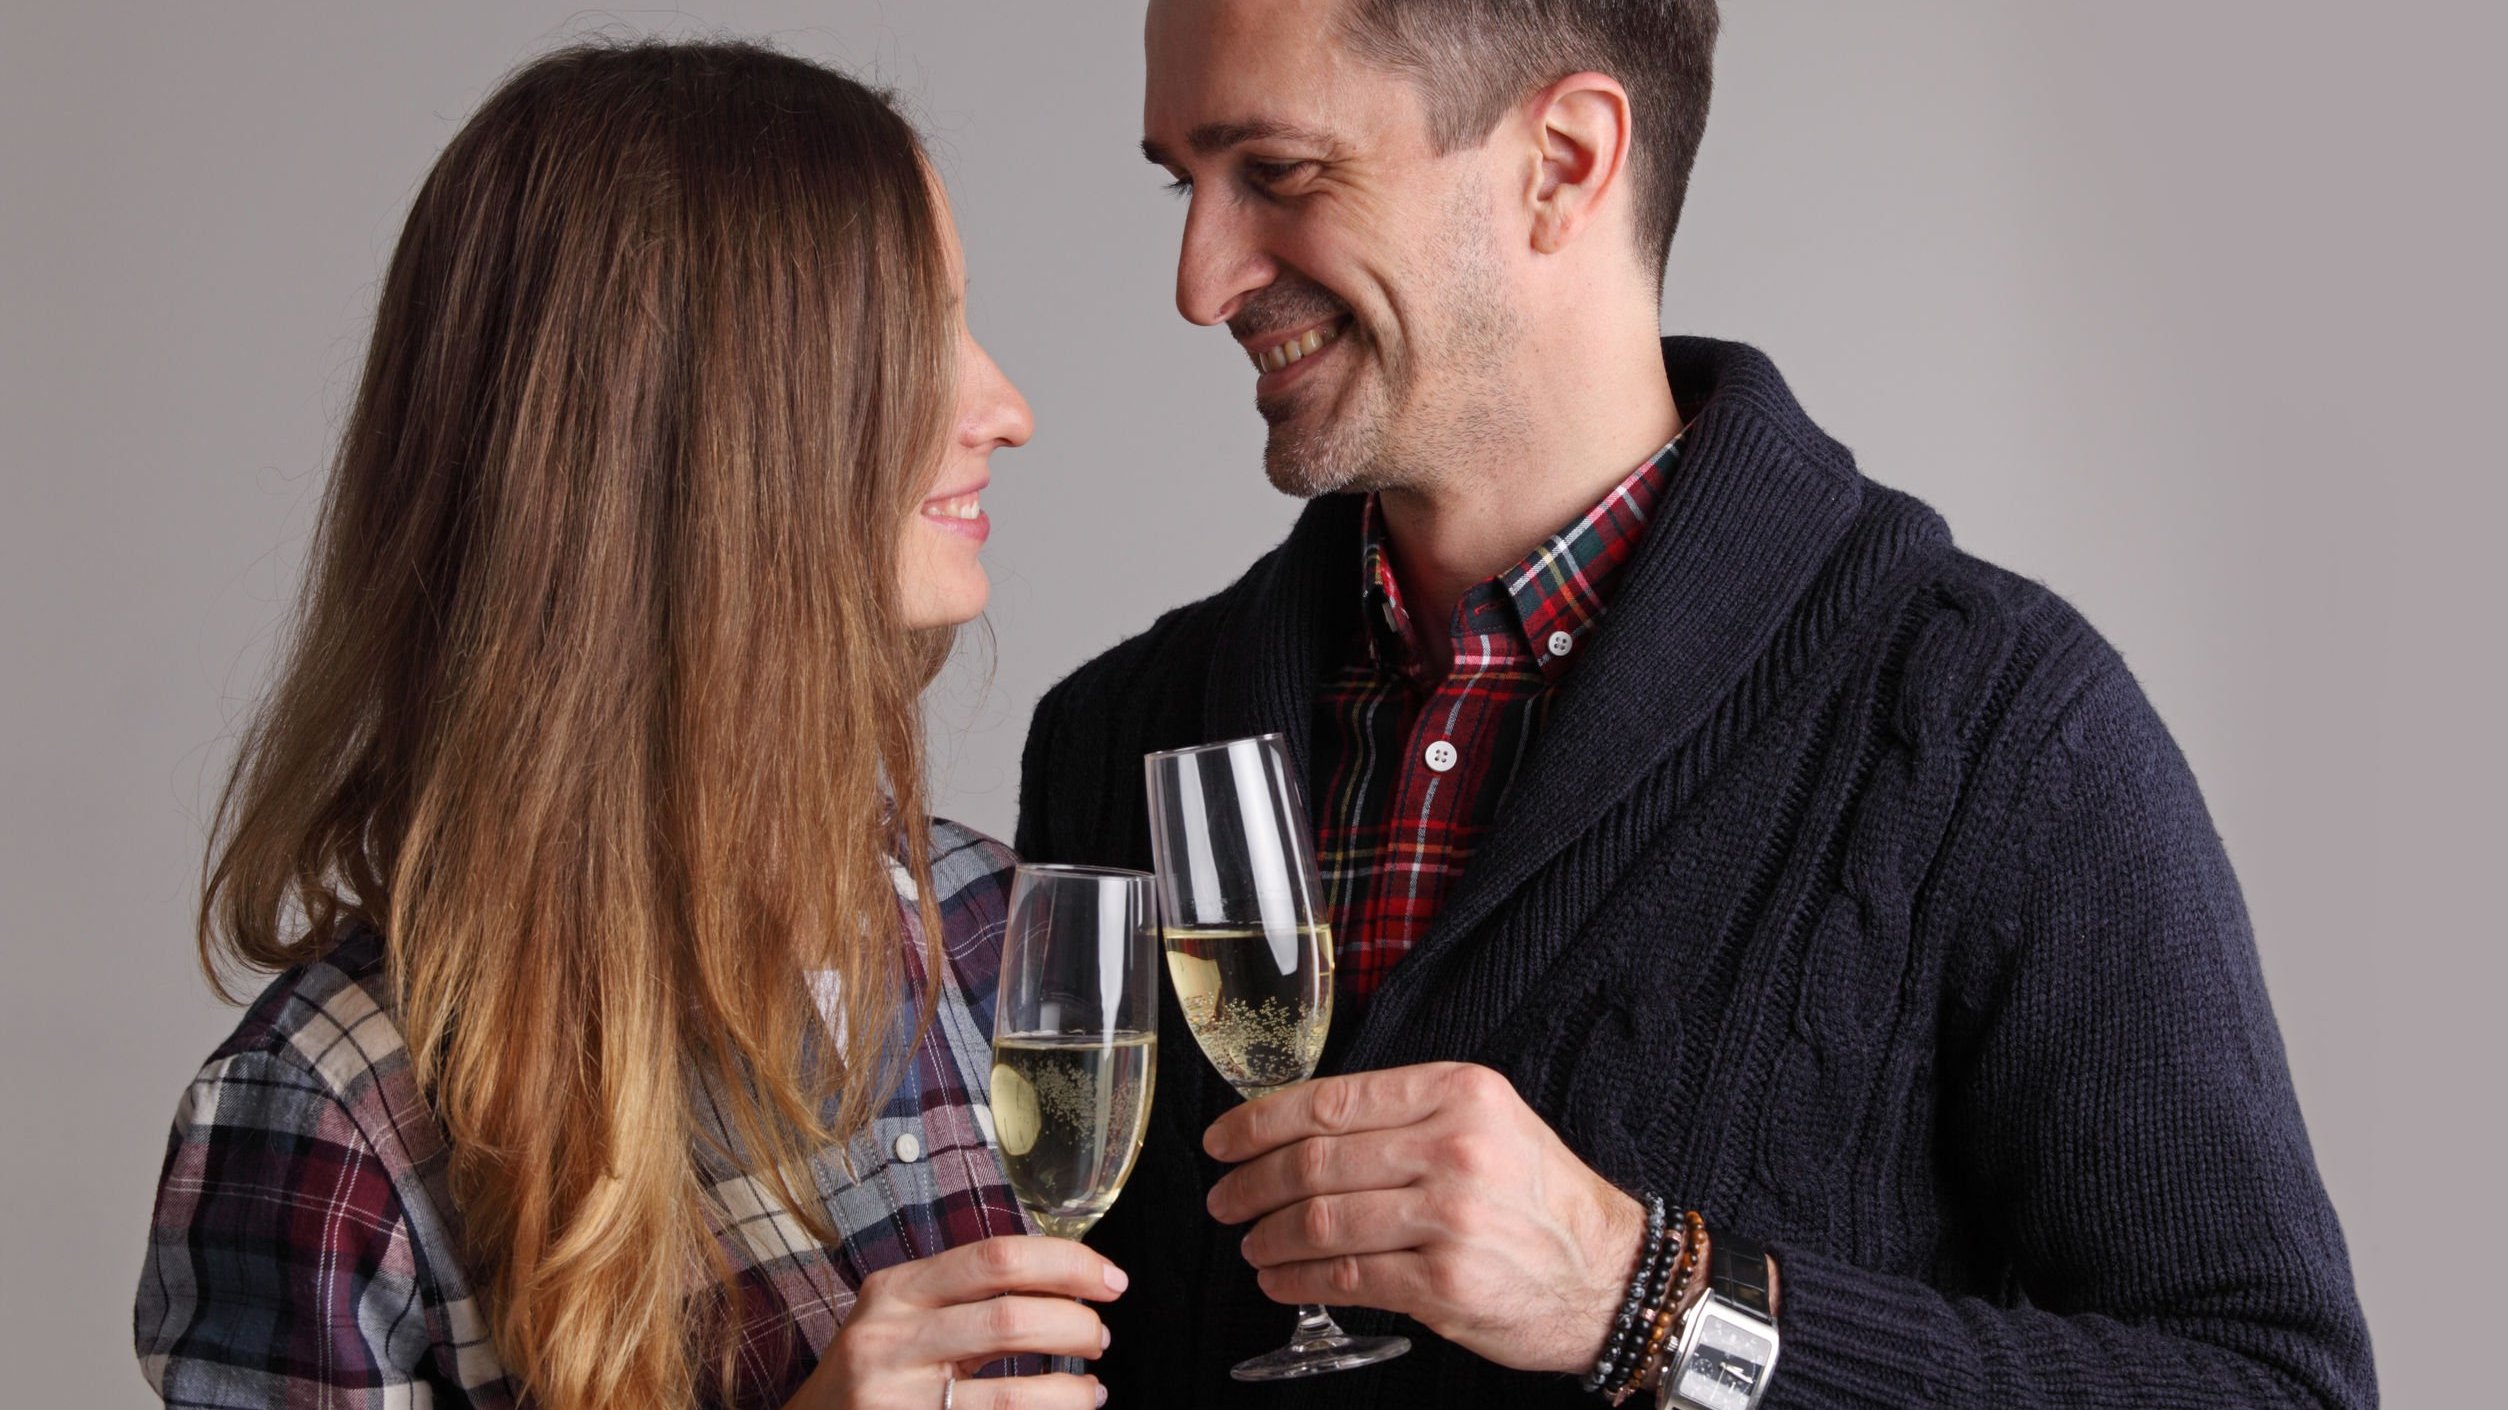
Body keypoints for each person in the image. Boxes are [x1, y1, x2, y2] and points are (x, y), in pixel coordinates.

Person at [1016, 2, 2376, 1407]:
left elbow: (2276, 1384)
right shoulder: (1117, 736)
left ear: (1564, 160)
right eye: (1186, 182)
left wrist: (1646, 1291)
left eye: (1280, 174)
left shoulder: (1995, 728)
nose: (1199, 279)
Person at [133, 42, 1125, 1410]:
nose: (1007, 410)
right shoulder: (333, 1124)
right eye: (922, 337)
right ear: (718, 432)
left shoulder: (998, 938)